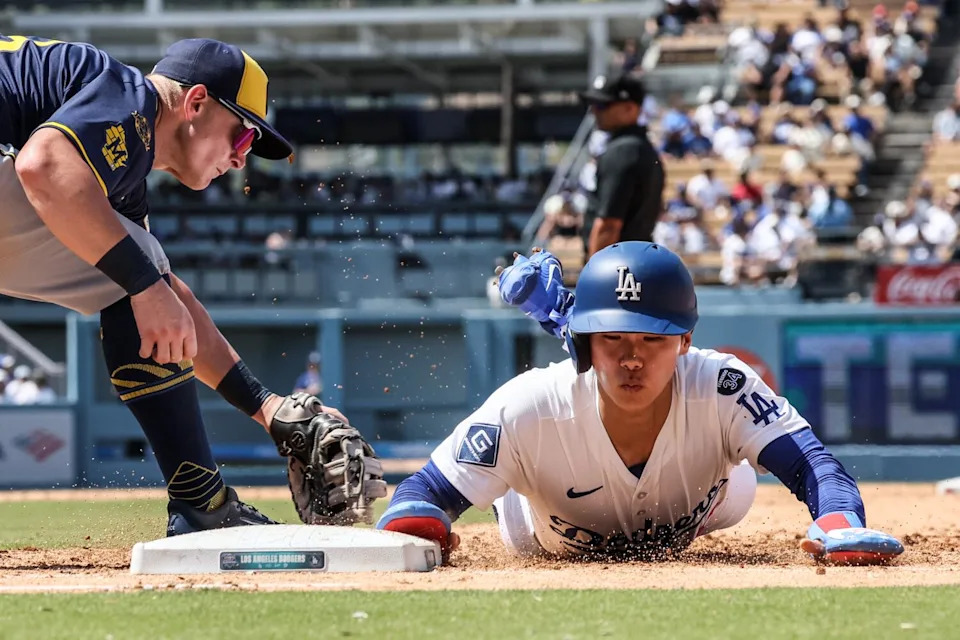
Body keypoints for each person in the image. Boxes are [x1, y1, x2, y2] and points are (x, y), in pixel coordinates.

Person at [0, 35, 381, 534]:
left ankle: (204, 502)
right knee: (136, 277)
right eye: (242, 136)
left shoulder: (119, 170)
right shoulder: (128, 94)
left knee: (141, 274)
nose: (242, 158)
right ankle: (203, 503)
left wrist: (267, 408)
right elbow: (44, 167)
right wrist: (143, 284)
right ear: (196, 102)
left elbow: (166, 295)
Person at [376, 243, 904, 566]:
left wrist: (839, 521)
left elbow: (814, 464)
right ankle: (568, 317)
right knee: (510, 468)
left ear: (685, 341)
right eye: (612, 339)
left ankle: (570, 316)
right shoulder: (529, 406)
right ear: (583, 344)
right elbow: (423, 493)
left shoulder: (720, 385)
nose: (633, 359)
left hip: (708, 497)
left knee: (739, 472)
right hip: (539, 527)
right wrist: (423, 525)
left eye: (653, 340)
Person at [578, 73, 665, 257]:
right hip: (636, 262)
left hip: (617, 268)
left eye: (602, 105)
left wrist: (594, 277)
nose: (594, 111)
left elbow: (609, 224)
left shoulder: (623, 151)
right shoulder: (642, 147)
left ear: (629, 108)